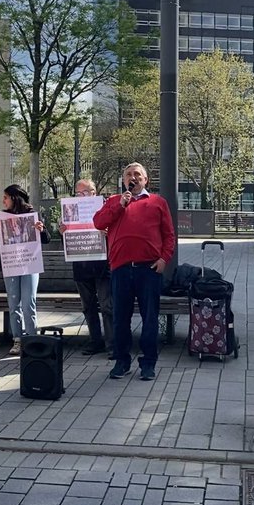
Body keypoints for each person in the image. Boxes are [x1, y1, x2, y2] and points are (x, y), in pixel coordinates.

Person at [93, 162, 175, 382]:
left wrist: (163, 259)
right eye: (129, 174)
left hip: (148, 269)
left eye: (137, 174)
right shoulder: (113, 201)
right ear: (123, 180)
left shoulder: (157, 202)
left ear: (146, 179)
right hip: (121, 269)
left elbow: (169, 235)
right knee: (120, 318)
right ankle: (122, 361)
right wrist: (120, 204)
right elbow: (98, 222)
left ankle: (148, 363)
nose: (133, 177)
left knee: (150, 318)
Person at [0, 184, 51, 356]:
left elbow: (45, 240)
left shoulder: (32, 214)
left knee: (28, 303)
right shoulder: (4, 217)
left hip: (29, 264)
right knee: (13, 302)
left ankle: (32, 338)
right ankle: (17, 340)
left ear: (14, 198)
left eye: (5, 197)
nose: (3, 201)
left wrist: (42, 229)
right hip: (11, 264)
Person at [59, 178, 113, 357]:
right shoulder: (70, 210)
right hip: (81, 266)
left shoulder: (106, 209)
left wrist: (107, 233)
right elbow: (67, 244)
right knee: (88, 306)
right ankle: (95, 341)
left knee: (107, 306)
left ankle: (111, 343)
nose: (81, 196)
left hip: (102, 266)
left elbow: (115, 236)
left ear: (94, 193)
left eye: (85, 192)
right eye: (78, 193)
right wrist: (64, 233)